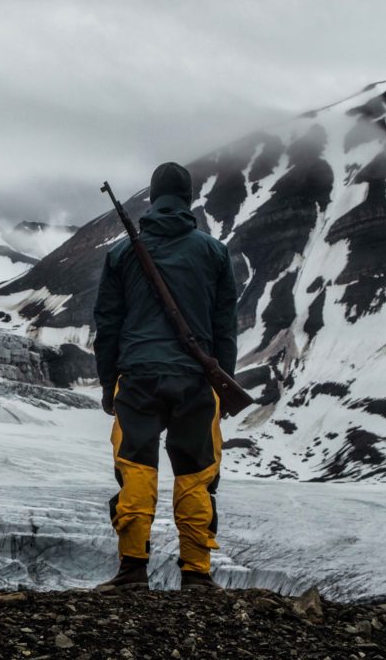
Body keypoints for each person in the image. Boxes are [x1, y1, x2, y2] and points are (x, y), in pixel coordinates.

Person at [93, 162, 238, 591]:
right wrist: (222, 383)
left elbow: (108, 324)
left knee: (136, 468)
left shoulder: (121, 254)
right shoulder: (214, 253)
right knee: (195, 473)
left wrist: (107, 383)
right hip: (196, 379)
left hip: (137, 376)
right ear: (190, 200)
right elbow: (225, 326)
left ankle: (133, 569)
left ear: (153, 199)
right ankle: (196, 572)